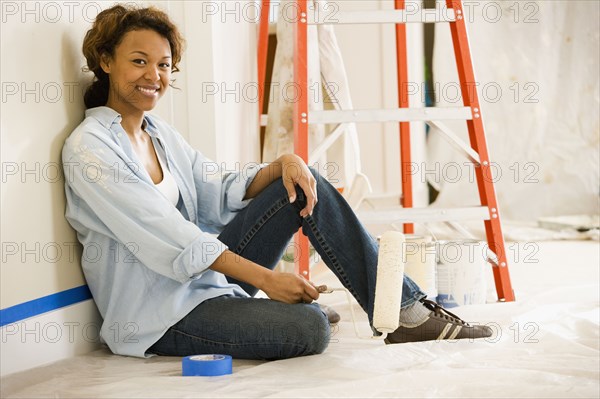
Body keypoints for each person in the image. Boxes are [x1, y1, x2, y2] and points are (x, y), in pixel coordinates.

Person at [62, 4, 492, 360]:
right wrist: (268, 282)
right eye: (139, 62)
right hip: (158, 317)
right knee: (311, 328)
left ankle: (405, 311)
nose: (153, 76)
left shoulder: (158, 134)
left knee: (306, 182)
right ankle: (266, 312)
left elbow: (216, 191)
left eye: (164, 65)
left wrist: (286, 162)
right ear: (105, 61)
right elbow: (174, 239)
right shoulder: (90, 150)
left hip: (207, 285)